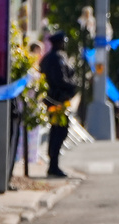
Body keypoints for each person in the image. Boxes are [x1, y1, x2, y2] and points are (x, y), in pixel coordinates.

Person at [39, 31, 78, 177]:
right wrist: (73, 85)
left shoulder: (53, 57)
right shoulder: (56, 58)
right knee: (59, 131)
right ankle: (53, 164)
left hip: (58, 101)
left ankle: (53, 164)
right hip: (56, 101)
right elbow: (60, 80)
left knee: (58, 131)